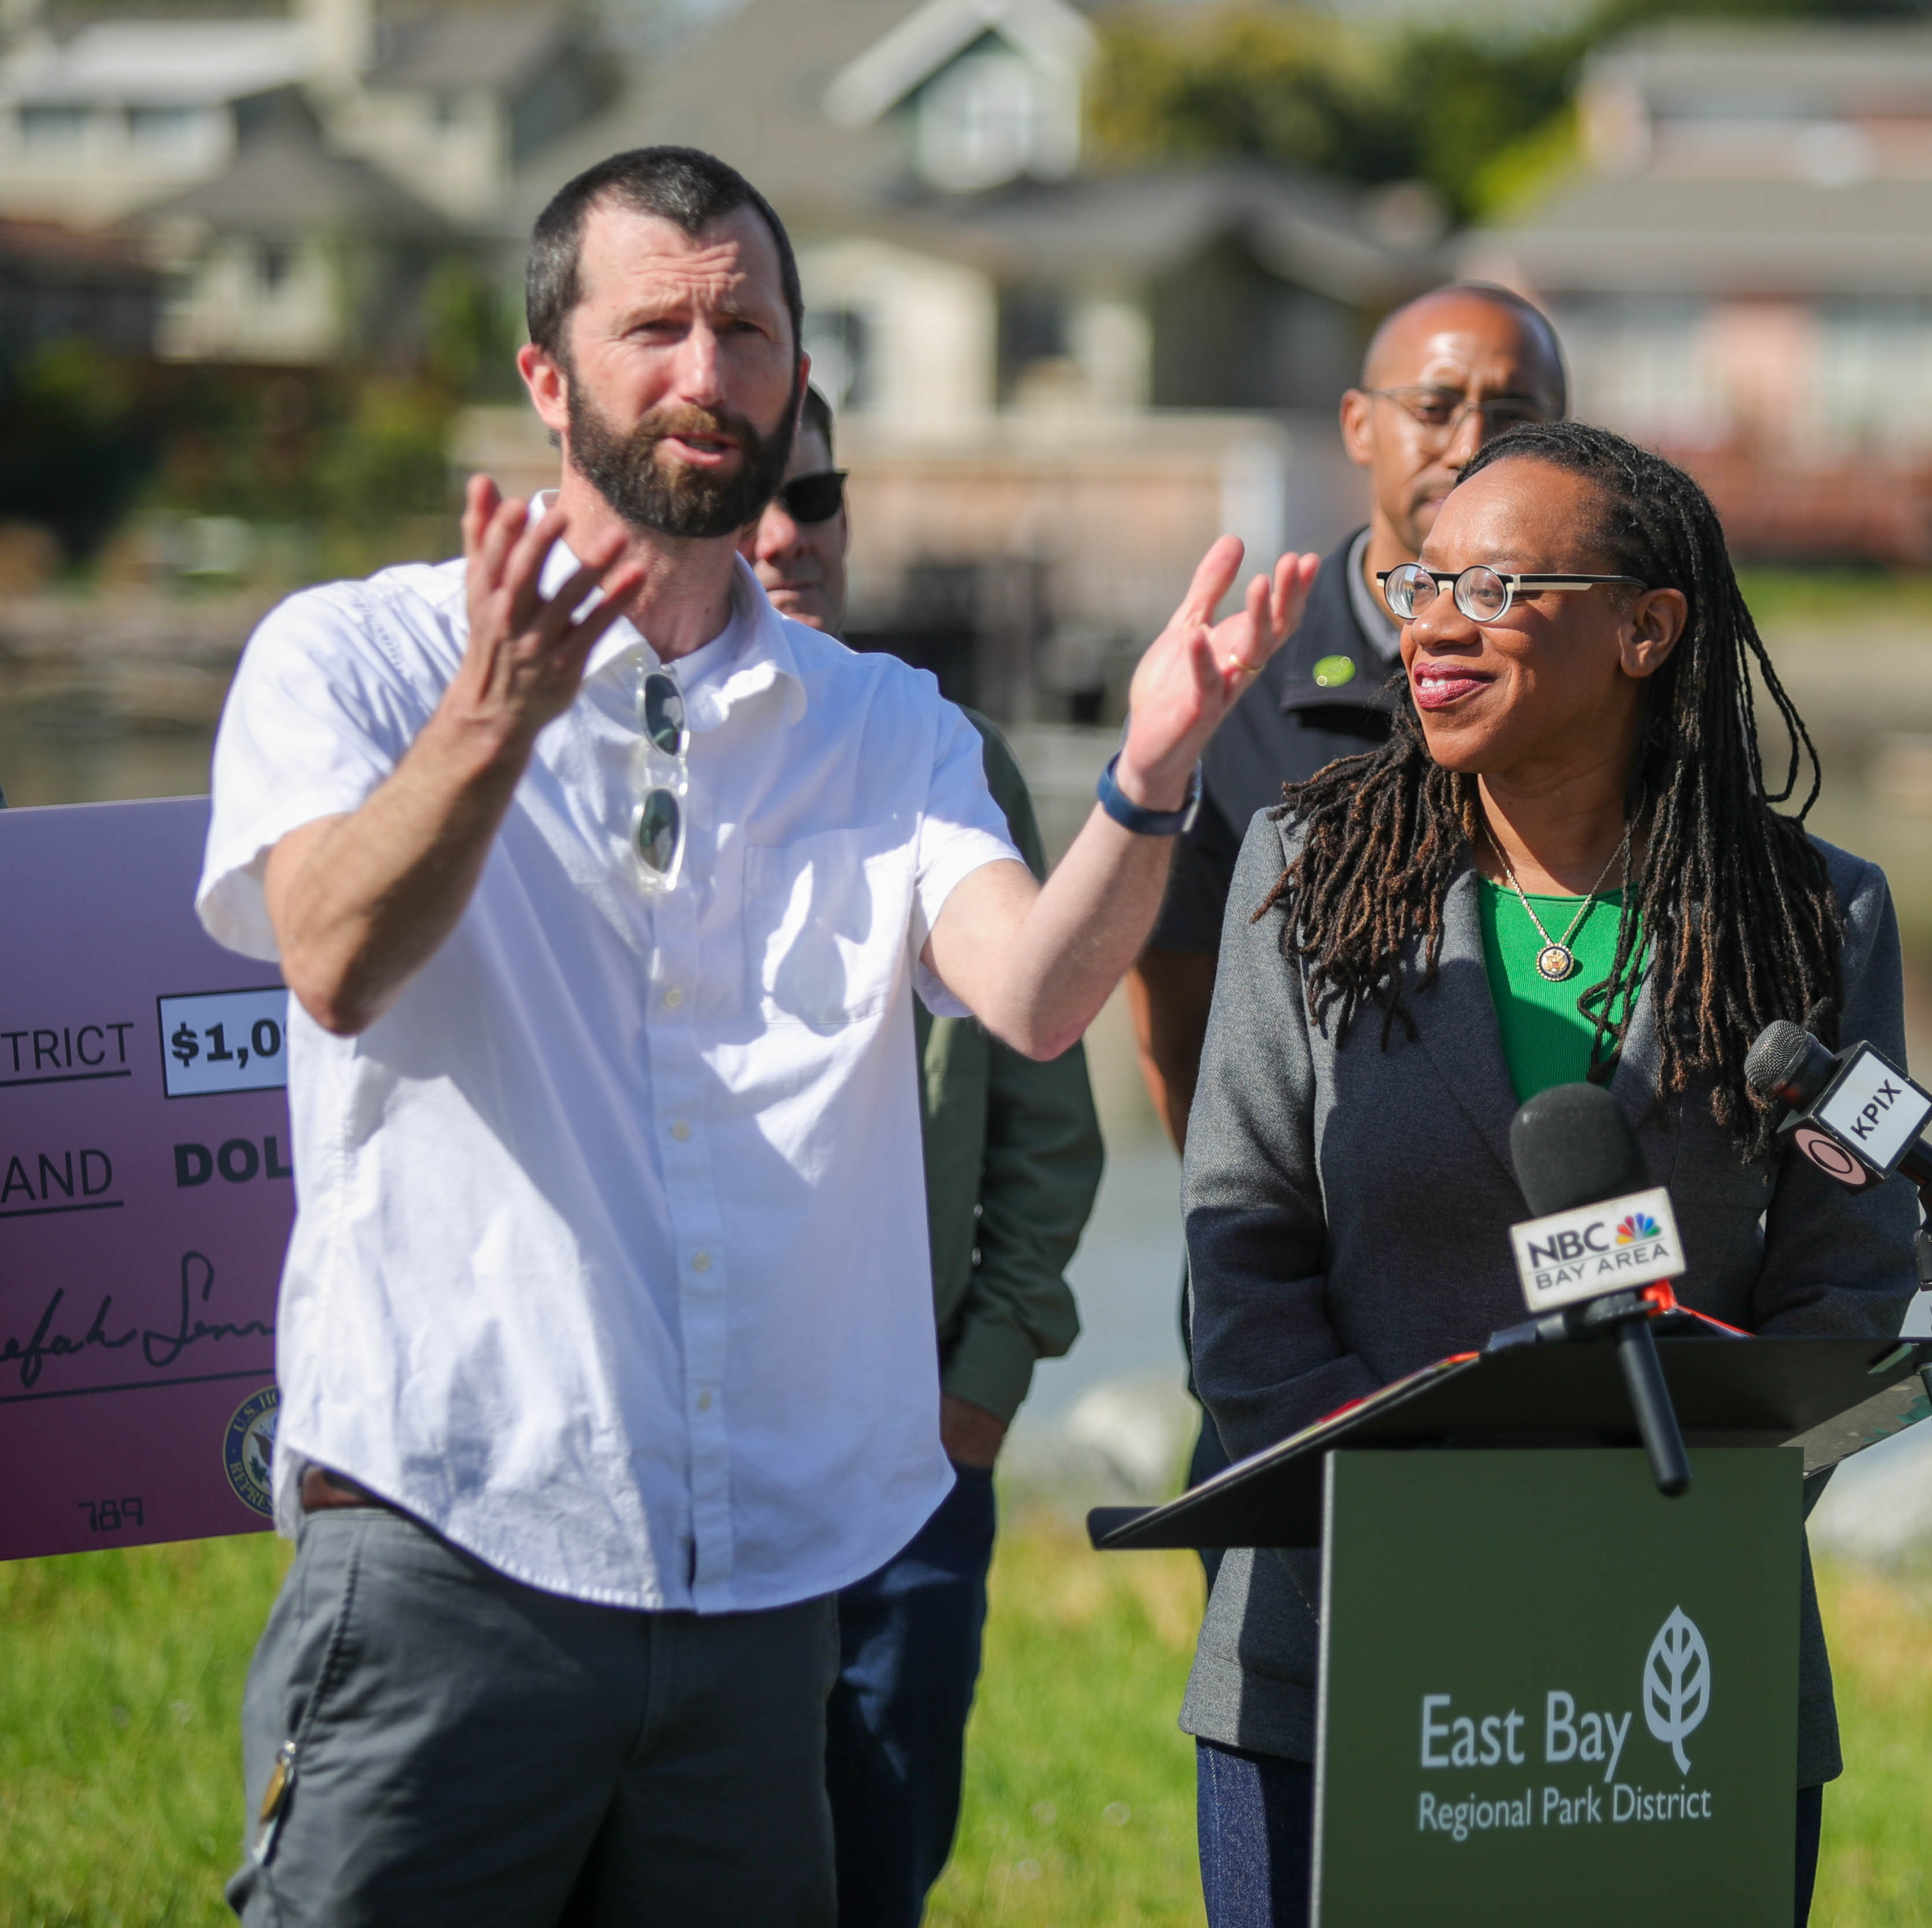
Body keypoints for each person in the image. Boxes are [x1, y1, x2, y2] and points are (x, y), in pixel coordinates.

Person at [200, 144, 1311, 1926]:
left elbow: (1031, 994)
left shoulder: (886, 727)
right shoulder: (360, 659)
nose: (705, 374)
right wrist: (495, 722)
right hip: (447, 1546)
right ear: (547, 379)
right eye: (655, 327)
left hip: (757, 1602)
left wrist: (1148, 778)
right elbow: (332, 960)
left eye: (745, 328)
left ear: (799, 373)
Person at [1179, 421, 1916, 1928]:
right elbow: (1236, 1246)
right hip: (1339, 1635)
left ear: (1647, 630)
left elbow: (1849, 1274)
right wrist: (1411, 1529)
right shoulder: (1306, 869)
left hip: (1673, 1648)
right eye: (1418, 584)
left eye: (1499, 586)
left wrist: (1673, 1519)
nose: (1436, 625)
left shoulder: (1815, 917)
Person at [741, 388, 1108, 1927]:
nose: (782, 533)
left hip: (911, 1463)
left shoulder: (940, 758)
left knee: (879, 1854)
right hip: (703, 1457)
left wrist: (982, 1388)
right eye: (742, 493)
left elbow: (1047, 1122)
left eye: (814, 496)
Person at [1125, 281, 1566, 1517]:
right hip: (1299, 1300)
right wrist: (1274, 1223)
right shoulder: (1252, 672)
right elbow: (1174, 1011)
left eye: (1515, 411)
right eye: (1436, 405)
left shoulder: (1610, 686)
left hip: (1544, 1289)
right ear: (1361, 425)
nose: (1472, 442)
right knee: (1296, 1670)